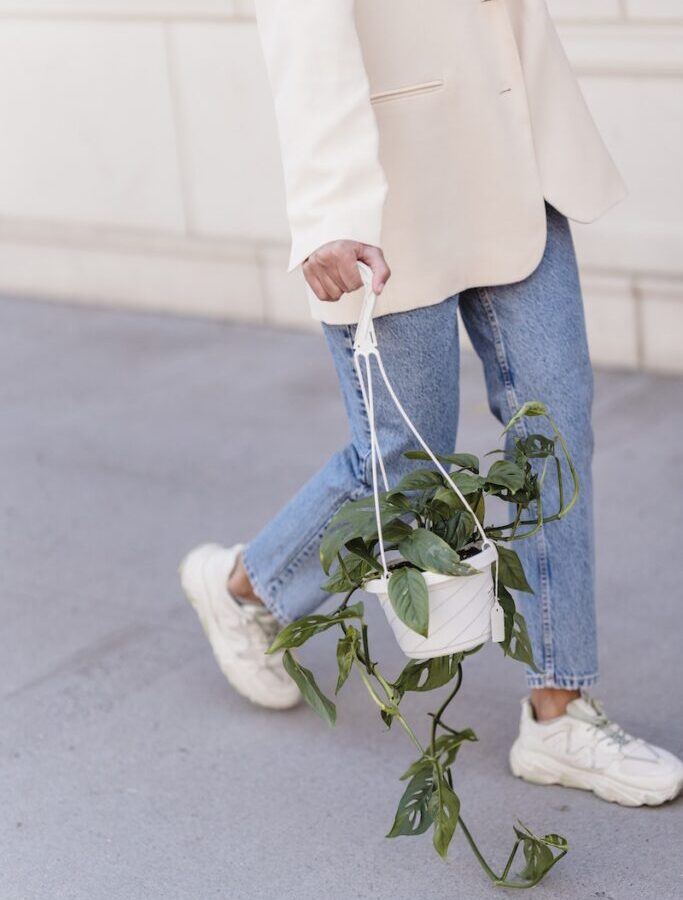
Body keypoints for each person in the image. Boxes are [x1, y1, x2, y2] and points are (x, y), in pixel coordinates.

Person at [180, 1, 683, 807]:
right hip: (387, 187)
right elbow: (302, 25)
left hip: (511, 149)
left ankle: (561, 711)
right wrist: (327, 210)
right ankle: (246, 585)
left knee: (552, 432)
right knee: (404, 468)